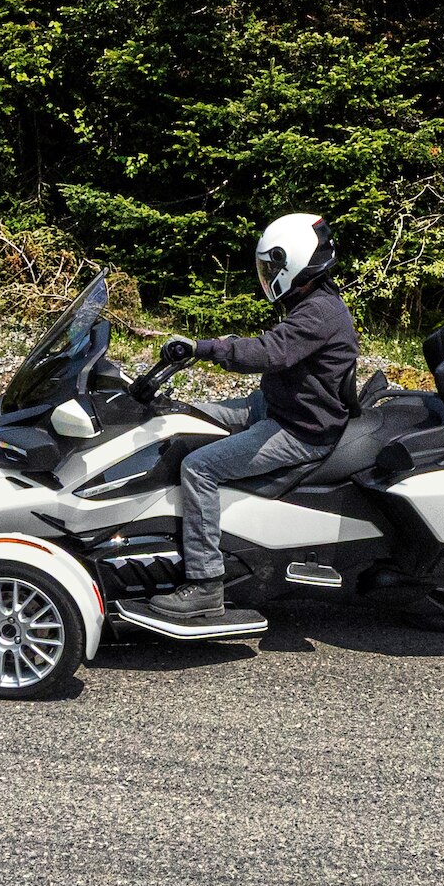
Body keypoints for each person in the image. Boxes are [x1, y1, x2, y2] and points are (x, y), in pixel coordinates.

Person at [127, 211, 359, 636]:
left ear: (296, 263)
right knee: (182, 415)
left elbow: (267, 354)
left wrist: (205, 348)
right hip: (275, 406)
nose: (267, 275)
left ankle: (204, 584)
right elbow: (272, 352)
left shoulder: (319, 313)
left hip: (301, 431)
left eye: (272, 266)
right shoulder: (311, 300)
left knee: (199, 468)